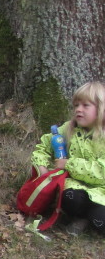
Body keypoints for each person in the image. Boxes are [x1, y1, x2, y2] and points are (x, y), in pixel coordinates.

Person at [30, 81, 105, 235]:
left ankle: (88, 219)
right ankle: (79, 218)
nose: (78, 109)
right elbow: (43, 146)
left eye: (85, 105)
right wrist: (41, 166)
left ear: (100, 109)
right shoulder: (68, 129)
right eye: (76, 105)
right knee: (70, 198)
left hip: (102, 191)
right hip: (75, 187)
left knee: (100, 220)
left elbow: (101, 172)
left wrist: (68, 164)